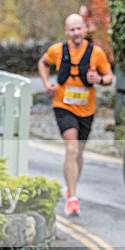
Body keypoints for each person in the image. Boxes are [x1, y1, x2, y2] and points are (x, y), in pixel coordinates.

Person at [37, 13, 113, 216]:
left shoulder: (95, 53)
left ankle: (70, 188)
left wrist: (98, 78)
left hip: (86, 109)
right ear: (66, 31)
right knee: (71, 148)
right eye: (72, 29)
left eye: (79, 28)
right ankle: (72, 198)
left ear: (85, 29)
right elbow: (42, 63)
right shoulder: (58, 50)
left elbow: (109, 77)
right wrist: (46, 83)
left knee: (79, 153)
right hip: (63, 105)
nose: (76, 33)